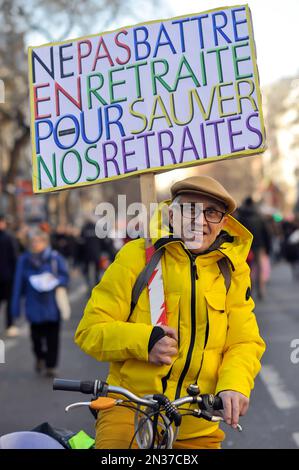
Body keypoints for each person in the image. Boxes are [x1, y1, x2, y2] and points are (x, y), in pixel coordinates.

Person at [75, 176, 266, 449]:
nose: (199, 221)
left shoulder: (233, 270)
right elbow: (89, 331)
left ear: (223, 222)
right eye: (189, 209)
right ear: (171, 214)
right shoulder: (136, 257)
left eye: (211, 212)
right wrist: (144, 342)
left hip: (197, 419)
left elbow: (244, 341)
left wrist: (234, 384)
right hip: (129, 409)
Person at [11, 228, 69, 377]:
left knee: (53, 338)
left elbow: (65, 277)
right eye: (33, 241)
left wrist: (55, 281)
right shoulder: (24, 260)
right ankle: (40, 357)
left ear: (45, 242)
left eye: (39, 241)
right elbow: (18, 284)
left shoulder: (55, 258)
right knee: (36, 339)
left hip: (52, 305)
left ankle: (51, 365)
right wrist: (15, 308)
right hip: (33, 305)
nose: (36, 244)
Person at [237, 197, 272, 300]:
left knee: (247, 269)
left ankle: (249, 291)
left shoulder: (241, 217)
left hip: (245, 247)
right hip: (259, 247)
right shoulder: (260, 216)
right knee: (260, 269)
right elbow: (267, 234)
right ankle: (261, 290)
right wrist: (268, 248)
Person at [0, 214, 19, 337]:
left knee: (9, 303)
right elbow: (14, 258)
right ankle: (9, 325)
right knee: (9, 302)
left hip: (7, 277)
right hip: (8, 276)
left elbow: (14, 258)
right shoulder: (9, 237)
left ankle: (10, 325)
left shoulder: (8, 238)